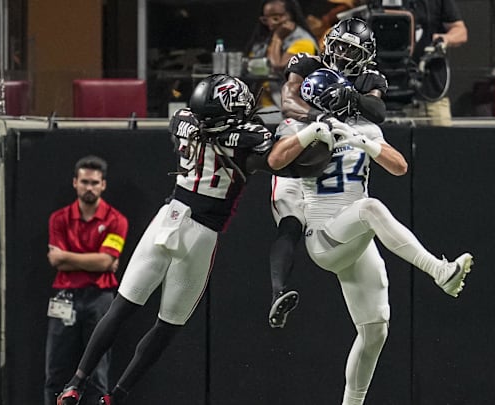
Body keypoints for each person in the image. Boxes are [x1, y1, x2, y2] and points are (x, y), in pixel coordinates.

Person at [56, 74, 334, 405]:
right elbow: (289, 166)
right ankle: (115, 396)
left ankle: (75, 382)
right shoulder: (245, 141)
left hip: (167, 219)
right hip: (201, 234)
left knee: (121, 308)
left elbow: (190, 125)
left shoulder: (183, 120)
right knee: (167, 325)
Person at [267, 67, 474, 405]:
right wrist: (310, 135)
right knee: (370, 208)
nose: (350, 101)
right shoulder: (298, 127)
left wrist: (362, 141)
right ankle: (439, 271)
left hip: (355, 238)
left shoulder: (365, 126)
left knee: (375, 330)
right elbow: (275, 161)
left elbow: (400, 166)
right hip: (323, 236)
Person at [267, 17, 389, 328]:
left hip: (336, 155)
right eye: (339, 47)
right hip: (299, 144)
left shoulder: (368, 78)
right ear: (328, 43)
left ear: (365, 57)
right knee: (291, 219)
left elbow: (378, 112)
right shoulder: (306, 63)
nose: (343, 56)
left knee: (342, 220)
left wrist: (354, 98)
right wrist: (317, 116)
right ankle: (277, 293)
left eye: (352, 52)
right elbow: (288, 101)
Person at [45, 156, 129, 405]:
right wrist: (97, 260)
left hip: (100, 300)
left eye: (94, 182)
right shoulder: (59, 219)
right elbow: (55, 261)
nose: (89, 187)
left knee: (96, 374)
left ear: (103, 185)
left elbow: (106, 262)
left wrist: (67, 258)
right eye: (84, 182)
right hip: (64, 298)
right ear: (75, 183)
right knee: (56, 371)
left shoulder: (116, 220)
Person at [403, 0, 468, 126]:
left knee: (441, 142)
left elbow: (460, 31)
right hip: (390, 98)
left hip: (432, 94)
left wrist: (445, 39)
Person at [245, 0, 318, 108]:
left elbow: (278, 66)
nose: (271, 23)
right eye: (266, 19)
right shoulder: (264, 40)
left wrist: (277, 38)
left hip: (288, 105)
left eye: (276, 17)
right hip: (260, 103)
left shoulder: (303, 41)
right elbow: (249, 64)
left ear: (291, 16)